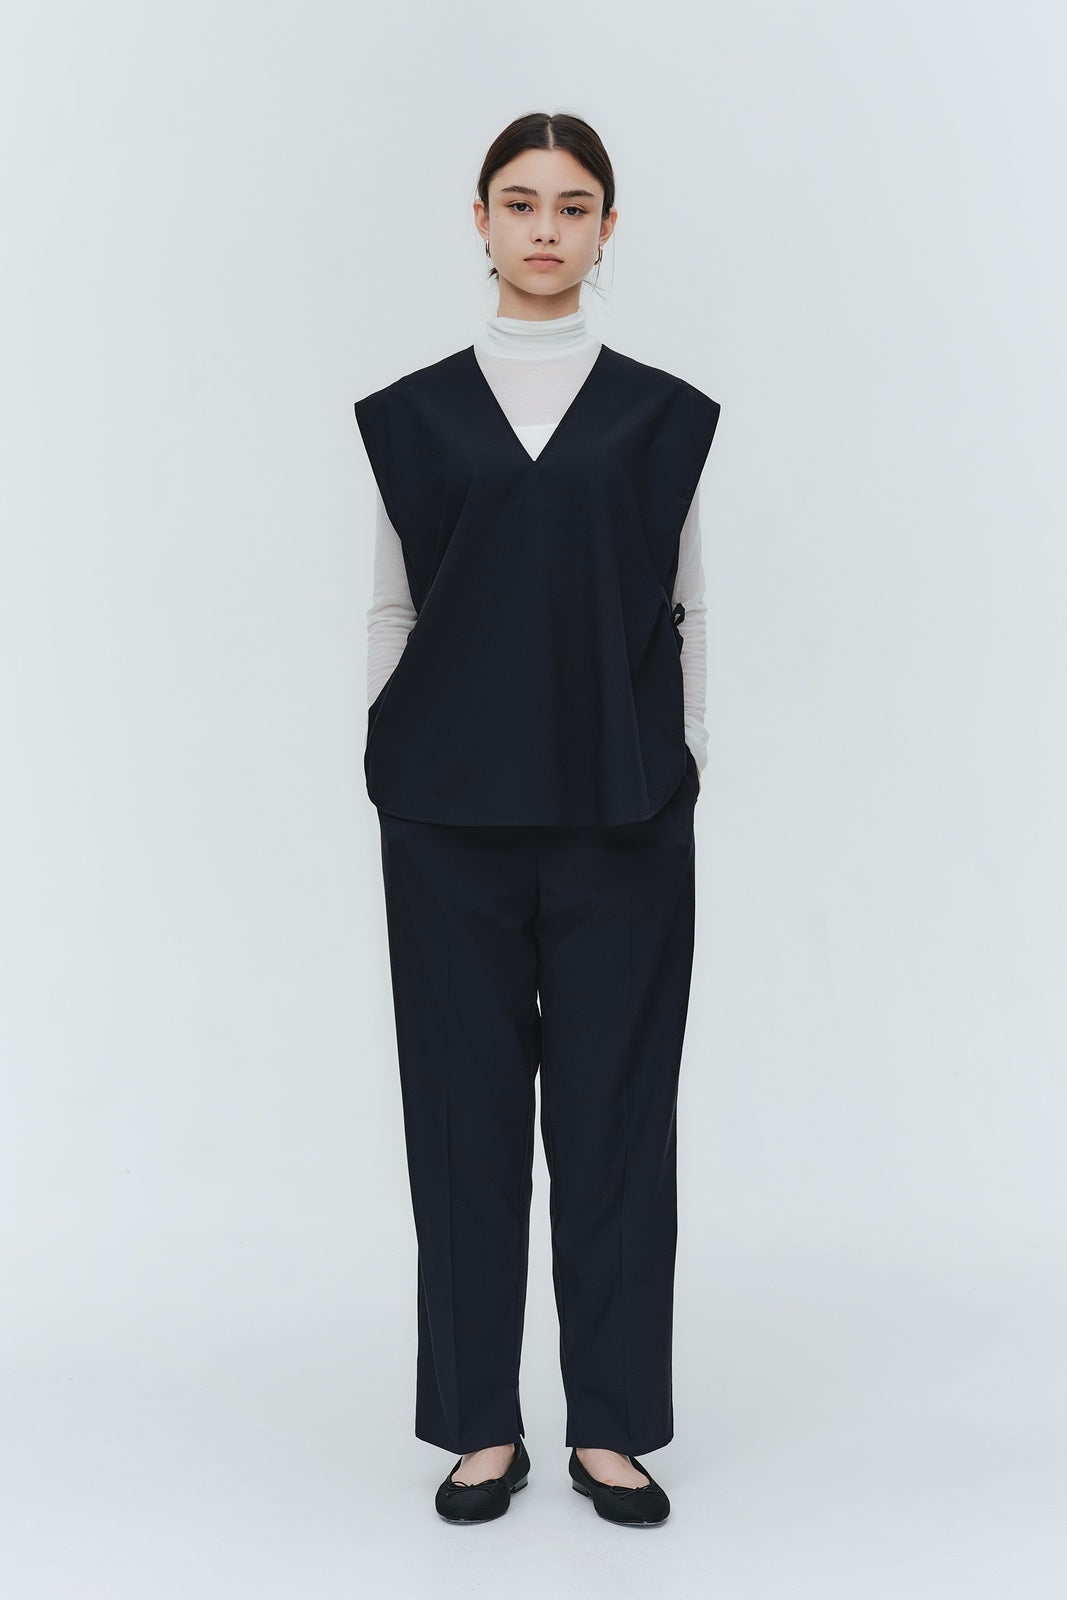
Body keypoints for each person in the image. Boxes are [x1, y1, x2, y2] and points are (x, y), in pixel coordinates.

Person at [353, 111, 721, 1527]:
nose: (546, 228)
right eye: (521, 202)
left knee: (617, 1117)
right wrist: (393, 757)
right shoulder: (414, 416)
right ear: (482, 219)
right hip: (446, 818)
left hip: (622, 815)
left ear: (608, 226)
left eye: (573, 206)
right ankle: (479, 1428)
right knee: (463, 1119)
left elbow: (687, 606)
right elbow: (392, 603)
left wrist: (685, 763)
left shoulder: (661, 417)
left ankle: (612, 1425)